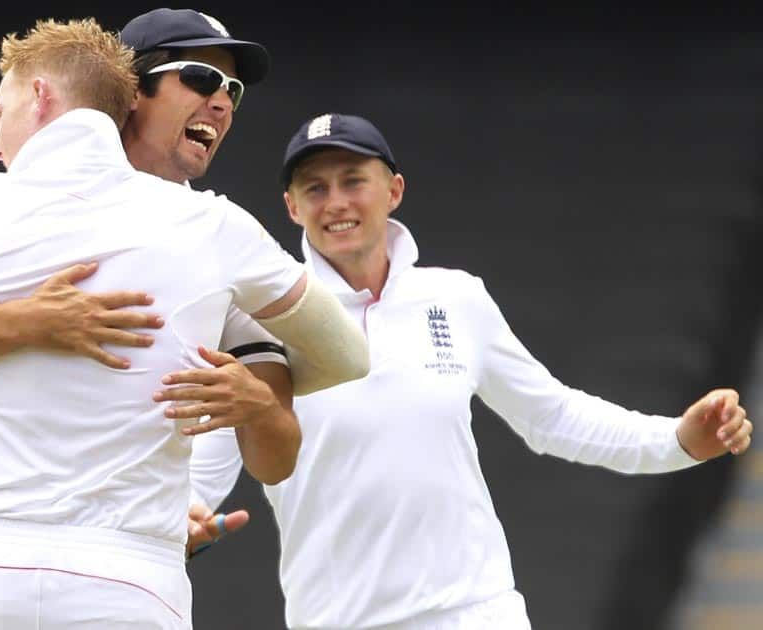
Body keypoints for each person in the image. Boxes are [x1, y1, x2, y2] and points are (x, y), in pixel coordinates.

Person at [0, 19, 369, 630]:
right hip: (113, 576)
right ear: (130, 89)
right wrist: (31, 321)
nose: (222, 101)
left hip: (2, 570)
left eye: (233, 91)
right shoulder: (217, 234)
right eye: (200, 78)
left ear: (39, 97)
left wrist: (257, 407)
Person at [178, 112, 755, 629]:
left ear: (393, 190)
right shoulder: (261, 324)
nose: (336, 203)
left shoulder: (456, 298)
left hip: (478, 613)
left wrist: (678, 440)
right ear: (292, 207)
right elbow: (209, 465)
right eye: (315, 188)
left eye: (353, 181)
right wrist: (182, 515)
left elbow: (552, 414)